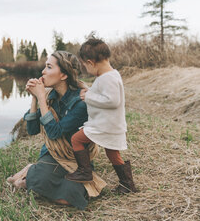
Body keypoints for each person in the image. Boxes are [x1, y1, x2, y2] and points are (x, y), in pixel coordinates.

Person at [19, 51, 106, 209]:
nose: (43, 71)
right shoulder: (50, 97)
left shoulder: (80, 102)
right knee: (39, 182)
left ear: (64, 75)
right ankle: (32, 171)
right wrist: (34, 99)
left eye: (49, 67)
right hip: (52, 155)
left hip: (76, 160)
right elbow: (32, 131)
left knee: (68, 199)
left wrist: (41, 99)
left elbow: (54, 132)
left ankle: (29, 173)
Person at [65, 38, 137, 194]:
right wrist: (87, 88)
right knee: (112, 152)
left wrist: (87, 97)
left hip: (105, 125)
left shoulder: (107, 78)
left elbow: (112, 101)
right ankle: (127, 184)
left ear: (90, 62)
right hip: (110, 124)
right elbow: (103, 94)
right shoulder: (110, 75)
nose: (85, 68)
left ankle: (85, 171)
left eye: (85, 65)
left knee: (76, 139)